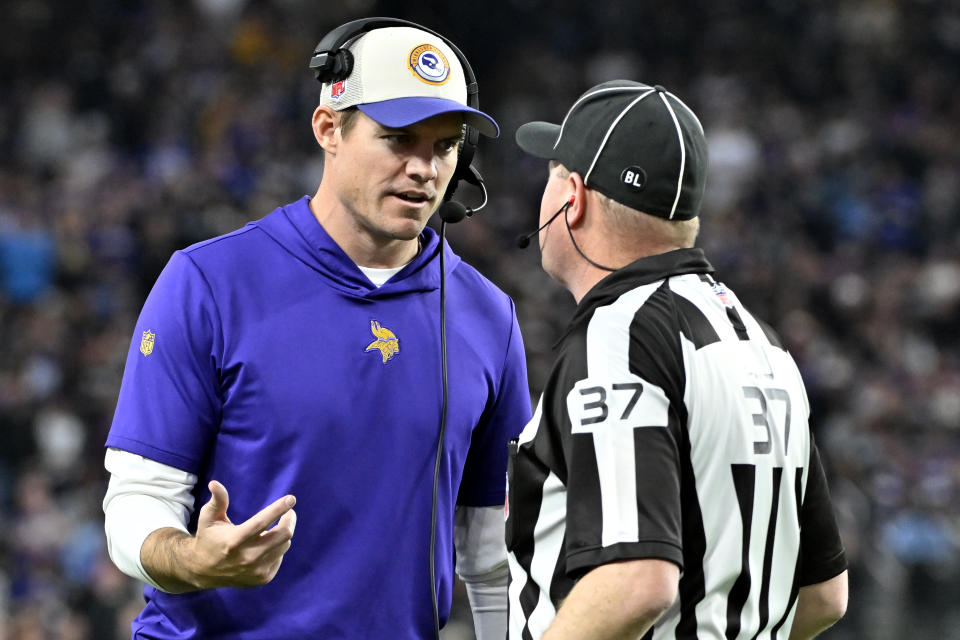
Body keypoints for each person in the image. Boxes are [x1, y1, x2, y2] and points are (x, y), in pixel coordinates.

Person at [102, 19, 531, 639]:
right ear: (329, 128)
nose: (425, 169)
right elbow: (136, 502)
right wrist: (192, 560)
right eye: (398, 139)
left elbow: (493, 560)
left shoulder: (489, 316)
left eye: (444, 146)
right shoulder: (208, 282)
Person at [505, 80, 848, 639]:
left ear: (574, 197)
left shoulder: (618, 335)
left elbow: (636, 581)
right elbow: (824, 593)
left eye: (549, 178)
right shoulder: (765, 343)